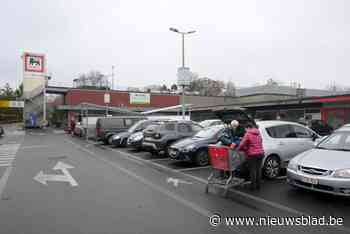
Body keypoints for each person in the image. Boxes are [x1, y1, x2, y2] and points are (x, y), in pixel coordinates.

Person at [237, 123, 264, 190]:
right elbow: (261, 141)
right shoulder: (258, 133)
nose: (245, 130)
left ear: (248, 128)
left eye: (245, 129)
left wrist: (239, 149)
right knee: (258, 169)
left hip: (252, 155)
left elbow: (242, 144)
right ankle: (258, 185)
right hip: (261, 153)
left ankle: (253, 186)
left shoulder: (248, 134)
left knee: (253, 170)